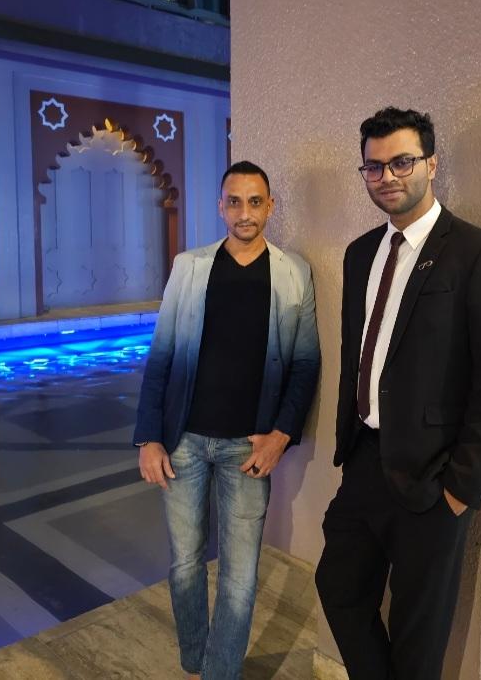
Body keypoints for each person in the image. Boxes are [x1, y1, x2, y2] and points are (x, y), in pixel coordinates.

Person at [315, 107, 481, 680]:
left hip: (434, 478)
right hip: (364, 461)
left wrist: (462, 487)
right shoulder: (361, 253)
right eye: (374, 166)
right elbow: (358, 352)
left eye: (402, 162)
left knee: (418, 636)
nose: (387, 176)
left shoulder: (479, 252)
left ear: (431, 164)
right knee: (338, 587)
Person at [134, 160, 321, 680]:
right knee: (185, 564)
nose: (245, 213)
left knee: (239, 578)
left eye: (255, 202)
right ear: (221, 207)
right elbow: (161, 356)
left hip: (248, 447)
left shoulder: (293, 272)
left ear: (270, 206)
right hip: (184, 441)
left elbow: (306, 363)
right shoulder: (189, 267)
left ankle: (221, 673)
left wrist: (281, 435)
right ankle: (196, 661)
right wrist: (149, 437)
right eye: (234, 202)